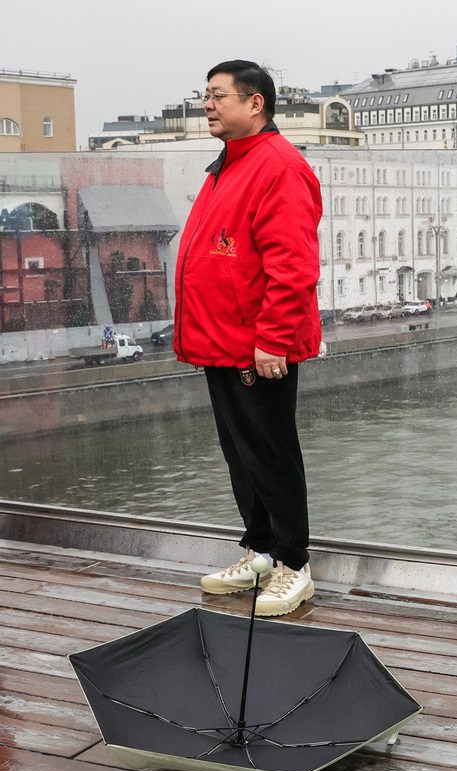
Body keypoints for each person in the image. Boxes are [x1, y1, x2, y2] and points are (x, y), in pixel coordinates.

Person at [173, 60, 322, 617]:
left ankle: (294, 565)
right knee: (242, 455)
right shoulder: (230, 164)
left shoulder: (278, 166)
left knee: (271, 453)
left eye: (218, 96)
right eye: (205, 95)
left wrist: (273, 339)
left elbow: (293, 264)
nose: (207, 105)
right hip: (223, 340)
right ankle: (261, 553)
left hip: (255, 346)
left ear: (255, 103)